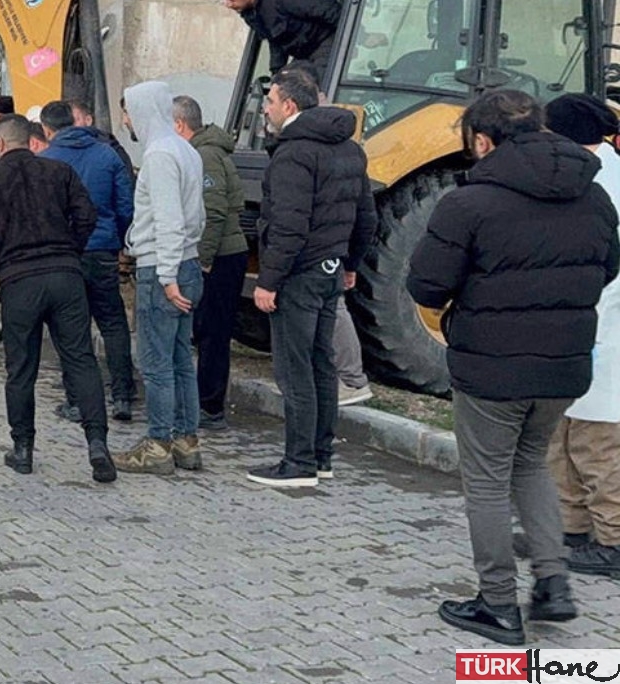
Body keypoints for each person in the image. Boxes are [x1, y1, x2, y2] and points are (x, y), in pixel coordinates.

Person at [407, 89, 618, 644]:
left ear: (482, 140)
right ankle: (553, 583)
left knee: (487, 483)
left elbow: (425, 283)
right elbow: (608, 268)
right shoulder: (593, 195)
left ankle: (498, 604)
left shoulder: (469, 203)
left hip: (492, 367)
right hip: (565, 366)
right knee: (531, 467)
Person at [0, 114, 116, 483]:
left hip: (20, 284)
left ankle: (23, 450)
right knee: (81, 360)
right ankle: (97, 444)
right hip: (66, 278)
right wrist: (70, 252)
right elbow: (87, 215)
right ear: (31, 141)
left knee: (21, 369)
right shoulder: (59, 172)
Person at [249, 62, 377, 488]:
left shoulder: (293, 153)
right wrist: (350, 264)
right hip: (330, 269)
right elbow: (366, 216)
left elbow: (288, 224)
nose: (265, 109)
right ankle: (322, 456)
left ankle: (298, 462)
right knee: (323, 364)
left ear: (288, 104)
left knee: (294, 368)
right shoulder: (349, 148)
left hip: (298, 275)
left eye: (269, 101)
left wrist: (268, 281)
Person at [542, 93, 620, 581]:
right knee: (562, 432)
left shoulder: (607, 185)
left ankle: (612, 541)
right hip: (577, 327)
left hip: (606, 328)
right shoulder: (585, 176)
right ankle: (569, 530)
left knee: (598, 443)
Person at [114, 81, 207, 475]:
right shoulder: (186, 149)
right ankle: (187, 442)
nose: (125, 120)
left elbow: (169, 219)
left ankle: (157, 445)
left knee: (156, 364)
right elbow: (196, 217)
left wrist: (166, 275)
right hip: (187, 262)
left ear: (144, 110)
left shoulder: (158, 155)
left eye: (128, 112)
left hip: (162, 268)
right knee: (181, 359)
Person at [38, 100, 137, 423]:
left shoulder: (45, 161)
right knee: (112, 322)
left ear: (46, 129)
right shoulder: (106, 155)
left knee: (70, 328)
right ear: (75, 121)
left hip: (63, 255)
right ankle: (123, 396)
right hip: (102, 251)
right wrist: (120, 240)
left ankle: (77, 401)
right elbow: (125, 206)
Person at [171, 96, 248, 431]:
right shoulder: (202, 153)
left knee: (214, 333)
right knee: (206, 330)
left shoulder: (205, 156)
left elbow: (213, 213)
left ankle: (210, 407)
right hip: (218, 253)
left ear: (179, 125)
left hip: (221, 257)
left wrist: (202, 261)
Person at [219, 0, 341, 80]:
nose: (229, 5)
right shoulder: (251, 14)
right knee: (286, 87)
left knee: (315, 84)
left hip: (326, 40)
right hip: (304, 52)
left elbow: (330, 10)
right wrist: (276, 73)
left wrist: (348, 41)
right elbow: (276, 41)